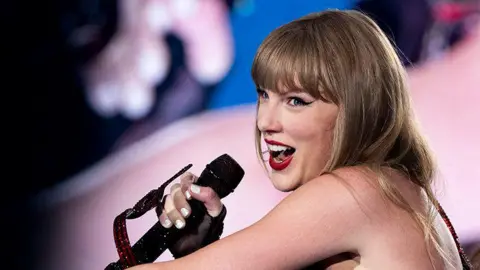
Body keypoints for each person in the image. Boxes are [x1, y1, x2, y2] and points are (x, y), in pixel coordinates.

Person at [128, 9, 472, 269]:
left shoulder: (352, 193)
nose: (265, 121)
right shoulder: (400, 191)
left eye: (296, 101)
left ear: (355, 110)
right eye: (264, 95)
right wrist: (197, 250)